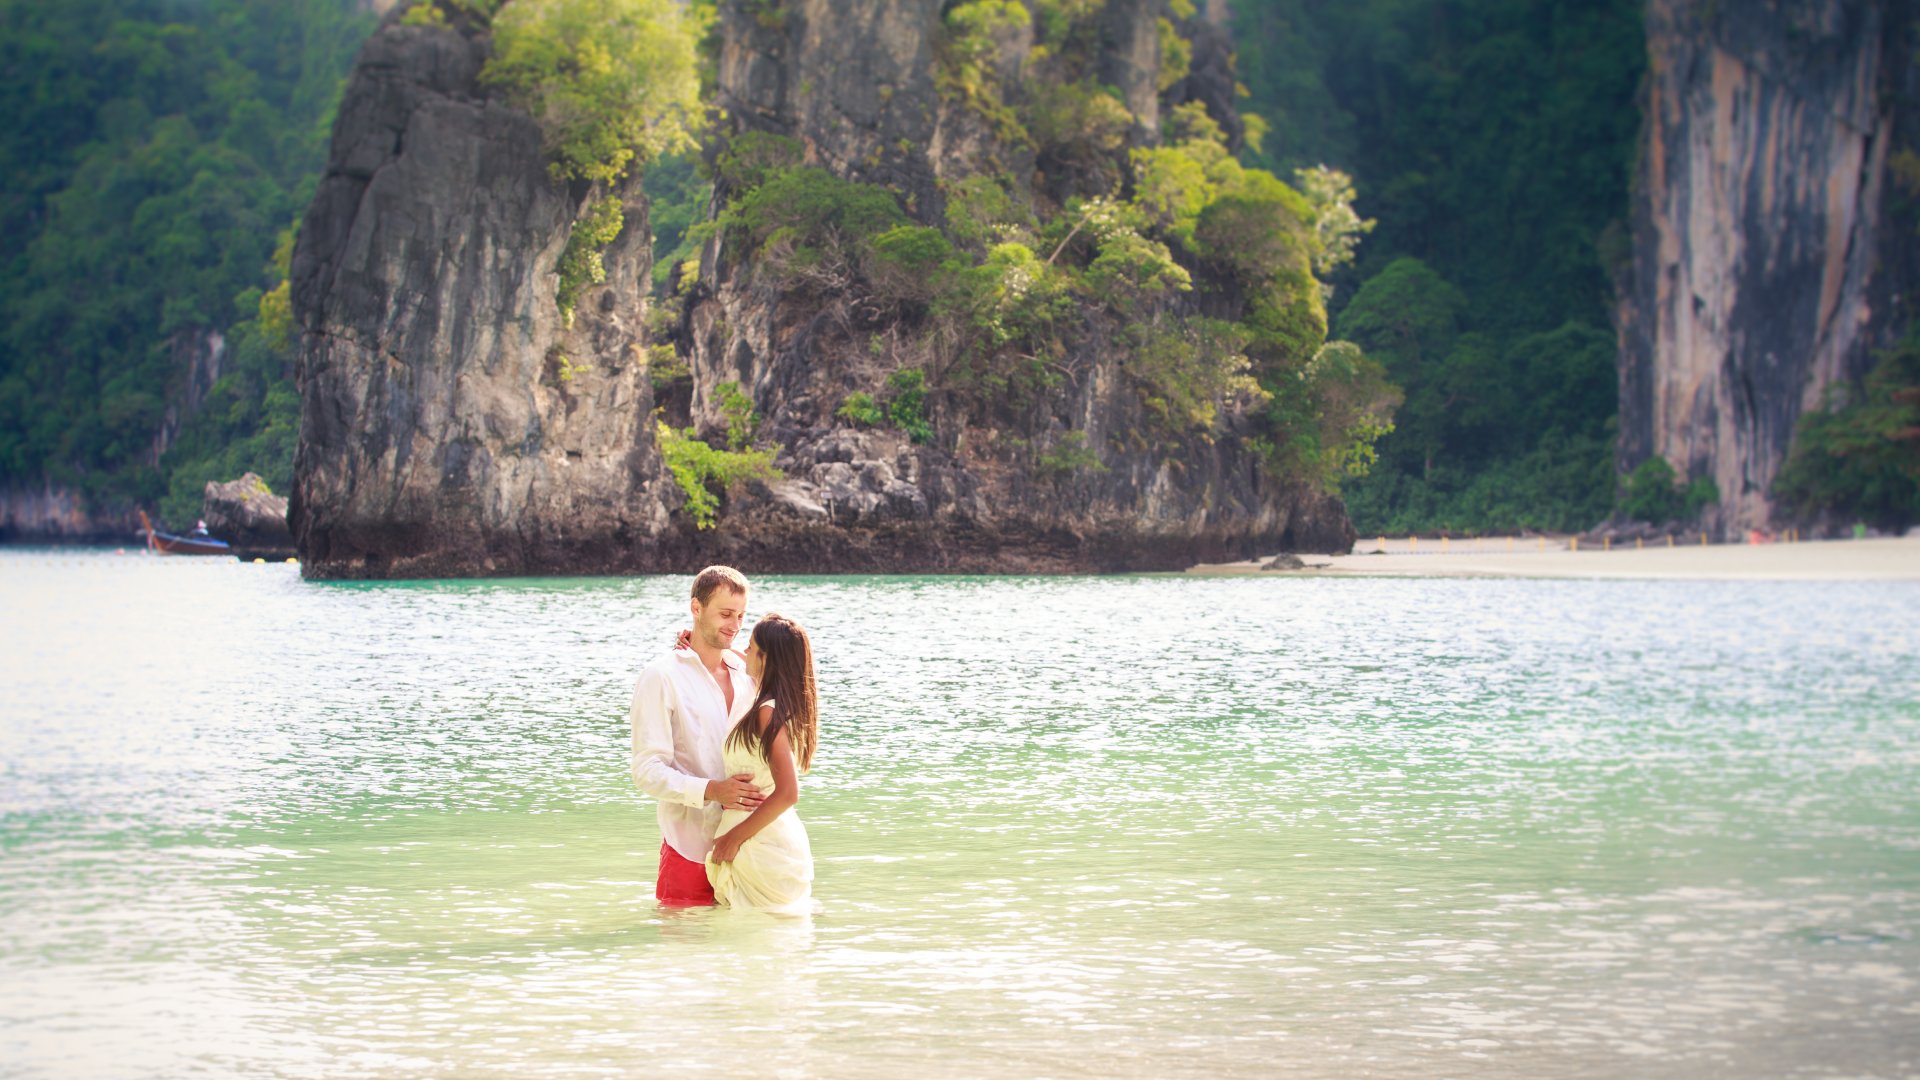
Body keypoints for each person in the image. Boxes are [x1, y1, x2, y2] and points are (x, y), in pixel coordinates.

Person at [629, 566, 766, 906]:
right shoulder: (661, 676)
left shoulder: (748, 675)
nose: (734, 626)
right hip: (690, 847)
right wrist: (712, 790)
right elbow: (646, 772)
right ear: (696, 608)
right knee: (682, 951)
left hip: (748, 847)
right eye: (725, 614)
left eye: (740, 615)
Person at [704, 613, 817, 912]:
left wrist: (732, 839)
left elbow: (788, 793)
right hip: (764, 844)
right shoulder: (777, 706)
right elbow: (742, 657)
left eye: (752, 648)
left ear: (766, 659)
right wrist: (697, 643)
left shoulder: (768, 713)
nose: (745, 653)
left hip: (759, 848)